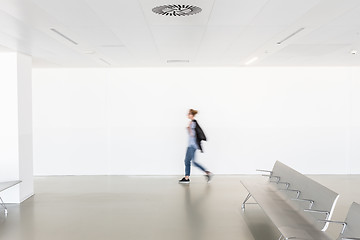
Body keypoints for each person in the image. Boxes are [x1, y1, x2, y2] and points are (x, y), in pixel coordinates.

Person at [179, 109, 213, 184]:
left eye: (189, 114)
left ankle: (187, 177)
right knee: (191, 161)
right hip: (192, 145)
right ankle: (207, 173)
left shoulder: (193, 123)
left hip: (192, 145)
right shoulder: (193, 122)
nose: (188, 115)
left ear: (192, 115)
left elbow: (193, 135)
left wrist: (189, 129)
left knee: (189, 161)